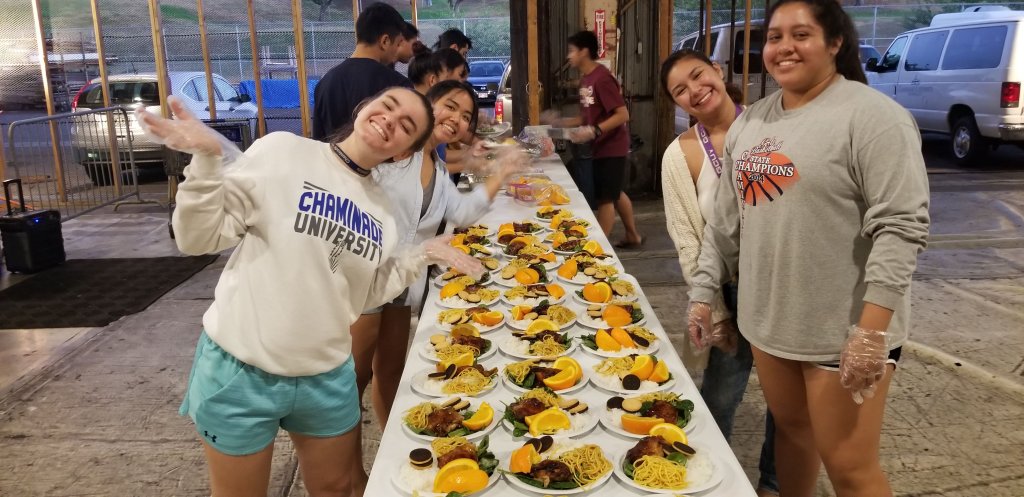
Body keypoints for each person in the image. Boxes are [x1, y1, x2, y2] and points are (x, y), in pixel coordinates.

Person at [138, 87, 484, 497]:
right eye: (387, 106)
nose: (391, 120)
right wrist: (206, 161)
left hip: (326, 374)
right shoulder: (283, 151)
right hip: (242, 370)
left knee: (336, 488)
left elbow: (362, 295)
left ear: (404, 152)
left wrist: (419, 256)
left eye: (406, 125)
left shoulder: (383, 212)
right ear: (364, 106)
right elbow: (198, 238)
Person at [686, 1, 930, 495]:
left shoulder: (874, 117)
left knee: (850, 467)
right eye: (775, 37)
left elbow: (901, 226)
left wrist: (871, 332)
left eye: (801, 35)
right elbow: (725, 224)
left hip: (842, 330)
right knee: (793, 435)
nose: (784, 48)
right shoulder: (753, 122)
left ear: (835, 42)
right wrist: (703, 292)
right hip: (770, 322)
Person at [351, 80, 525, 429]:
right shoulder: (396, 150)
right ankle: (344, 455)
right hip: (366, 280)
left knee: (390, 371)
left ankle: (387, 438)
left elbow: (462, 212)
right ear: (426, 105)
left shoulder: (439, 167)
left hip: (403, 284)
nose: (457, 119)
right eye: (450, 106)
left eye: (466, 116)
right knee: (352, 381)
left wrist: (502, 172)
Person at [659, 48, 778, 497]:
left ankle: (773, 482)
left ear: (717, 70)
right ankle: (709, 482)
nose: (694, 90)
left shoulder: (770, 126)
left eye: (698, 75)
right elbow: (688, 240)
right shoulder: (680, 155)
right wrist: (716, 311)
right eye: (680, 90)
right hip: (727, 289)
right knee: (720, 396)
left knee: (787, 403)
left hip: (782, 286)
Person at [556, 30, 643, 248]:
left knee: (606, 198)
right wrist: (560, 122)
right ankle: (632, 235)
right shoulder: (586, 79)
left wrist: (594, 131)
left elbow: (622, 114)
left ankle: (597, 249)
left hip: (612, 147)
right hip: (599, 146)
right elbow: (586, 116)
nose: (569, 56)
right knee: (614, 191)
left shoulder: (602, 79)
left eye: (572, 51)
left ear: (584, 52)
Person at [312, 2, 412, 141]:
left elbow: (319, 142)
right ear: (385, 41)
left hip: (333, 155)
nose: (397, 50)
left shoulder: (324, 83)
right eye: (398, 43)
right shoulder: (398, 85)